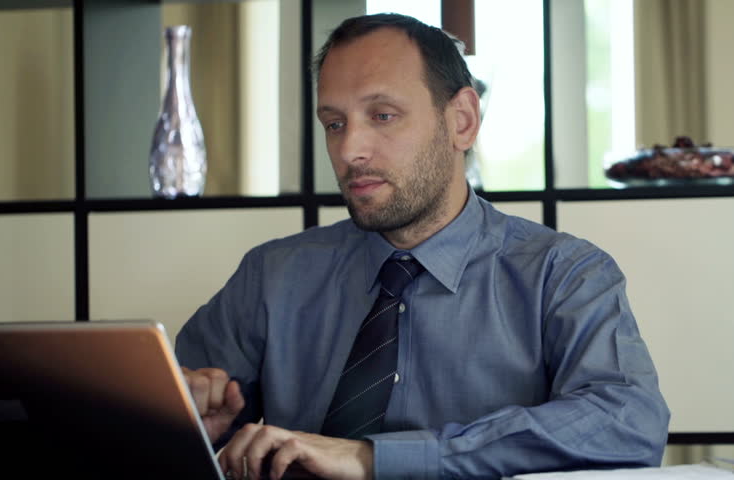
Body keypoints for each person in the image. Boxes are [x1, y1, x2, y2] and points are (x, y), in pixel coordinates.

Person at [176, 13, 670, 480]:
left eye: (383, 115)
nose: (350, 150)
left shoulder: (562, 274)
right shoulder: (272, 276)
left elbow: (626, 424)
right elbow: (178, 420)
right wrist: (193, 429)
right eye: (334, 123)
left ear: (462, 121)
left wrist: (376, 459)